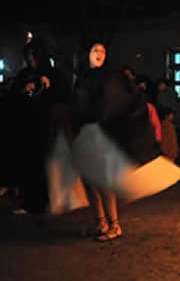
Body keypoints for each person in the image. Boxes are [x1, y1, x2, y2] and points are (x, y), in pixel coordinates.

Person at [73, 42, 160, 241]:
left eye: (102, 51)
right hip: (86, 134)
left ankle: (114, 225)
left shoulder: (111, 77)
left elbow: (120, 102)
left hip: (105, 135)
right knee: (89, 181)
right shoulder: (84, 78)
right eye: (95, 50)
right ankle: (100, 222)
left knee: (103, 181)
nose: (98, 54)